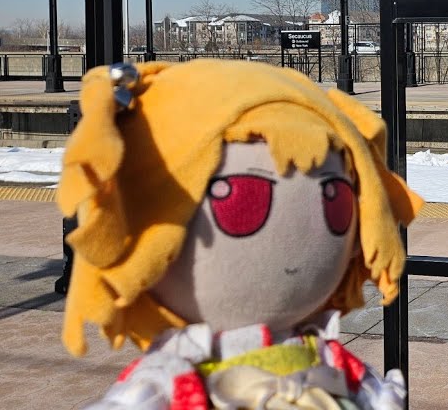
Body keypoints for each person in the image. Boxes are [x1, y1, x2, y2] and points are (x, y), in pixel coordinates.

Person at [58, 59, 424, 409]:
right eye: (242, 200)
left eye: (336, 202)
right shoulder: (163, 383)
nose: (293, 250)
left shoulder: (329, 359)